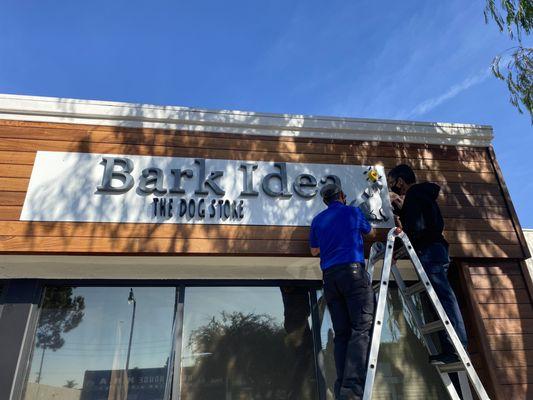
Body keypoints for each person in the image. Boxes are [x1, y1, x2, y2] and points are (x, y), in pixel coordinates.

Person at [387, 164, 468, 364]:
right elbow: (419, 222)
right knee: (440, 300)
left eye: (392, 183)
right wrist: (402, 210)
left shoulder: (414, 194)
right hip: (435, 249)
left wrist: (400, 217)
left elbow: (416, 227)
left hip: (430, 251)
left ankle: (456, 349)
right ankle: (453, 348)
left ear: (400, 181)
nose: (393, 188)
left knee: (442, 299)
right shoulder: (422, 195)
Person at [309, 183, 374, 400]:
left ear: (326, 201)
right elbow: (370, 230)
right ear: (343, 196)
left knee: (342, 334)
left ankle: (341, 389)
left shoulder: (317, 220)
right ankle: (353, 389)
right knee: (361, 328)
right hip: (352, 274)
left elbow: (314, 250)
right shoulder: (353, 212)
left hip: (330, 279)